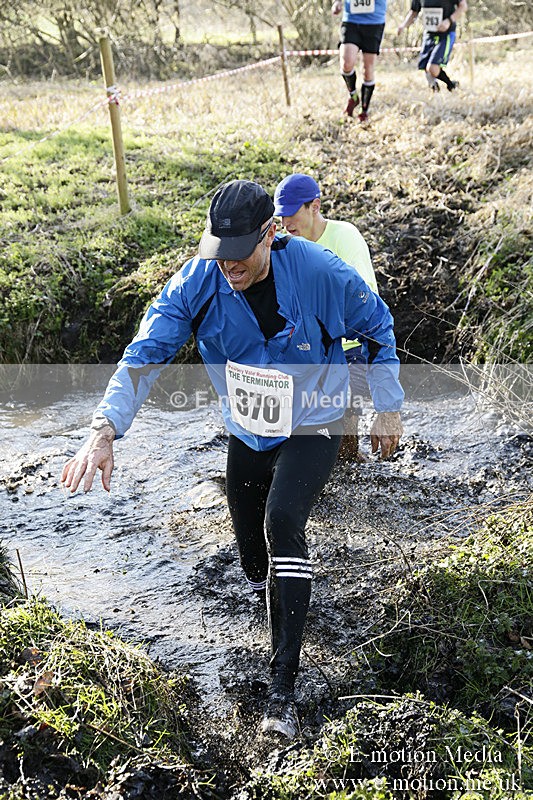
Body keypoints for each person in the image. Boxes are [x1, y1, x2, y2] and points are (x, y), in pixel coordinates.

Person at [61, 179, 404, 741]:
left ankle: (283, 689)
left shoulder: (319, 272)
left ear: (271, 235)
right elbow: (144, 353)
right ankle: (286, 602)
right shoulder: (198, 280)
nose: (229, 266)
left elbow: (379, 327)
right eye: (219, 251)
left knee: (283, 522)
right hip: (249, 427)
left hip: (317, 416)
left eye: (241, 252)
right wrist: (104, 428)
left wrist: (387, 406)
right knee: (252, 558)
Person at [274, 172, 378, 461]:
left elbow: (365, 295)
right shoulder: (283, 244)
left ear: (315, 206)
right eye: (280, 217)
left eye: (292, 214)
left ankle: (348, 482)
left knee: (343, 440)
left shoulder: (345, 236)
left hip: (349, 349)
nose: (285, 224)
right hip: (303, 352)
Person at [331, 0, 388, 122]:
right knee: (346, 63)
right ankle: (353, 96)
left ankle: (364, 111)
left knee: (367, 70)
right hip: (351, 20)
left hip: (374, 22)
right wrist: (337, 2)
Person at [397, 0, 467, 92]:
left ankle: (451, 85)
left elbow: (463, 6)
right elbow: (414, 12)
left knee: (432, 68)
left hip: (446, 33)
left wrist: (448, 21)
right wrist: (403, 25)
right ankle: (437, 89)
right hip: (429, 33)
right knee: (425, 66)